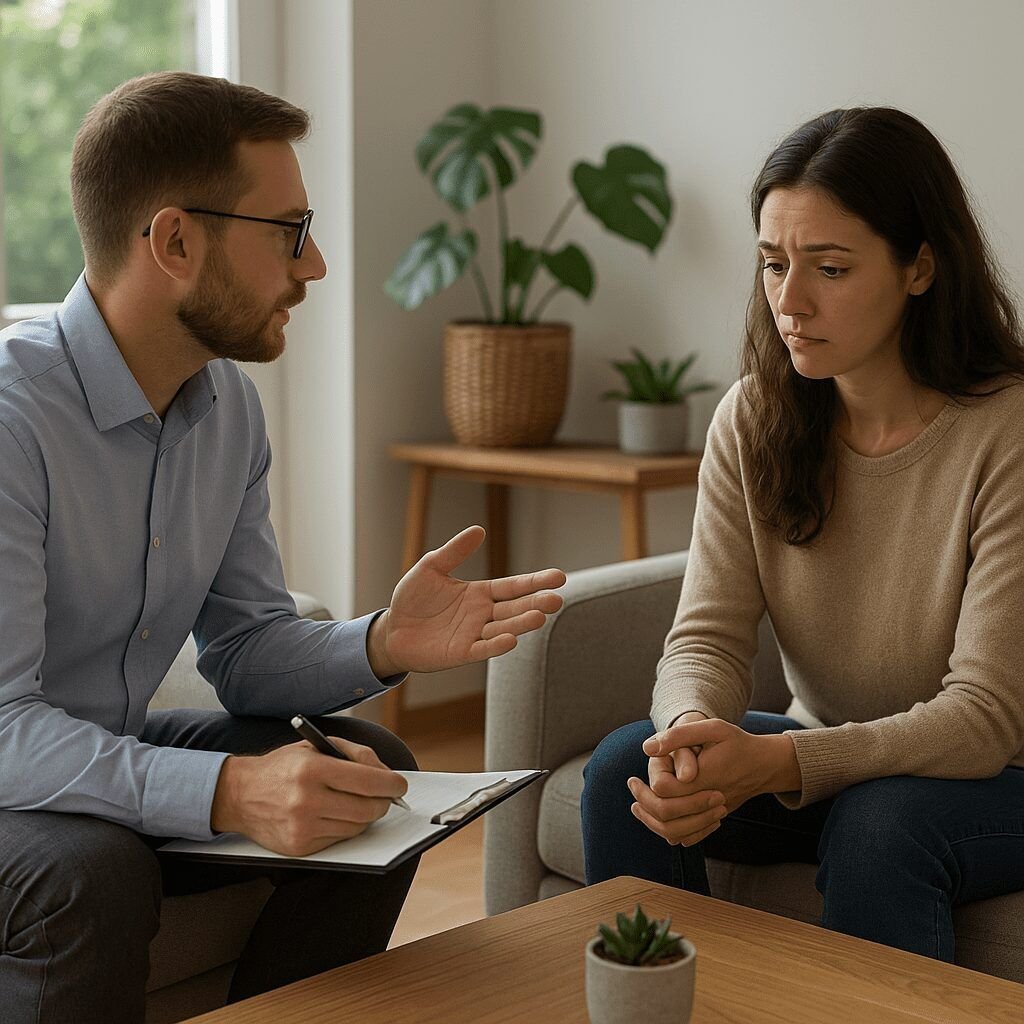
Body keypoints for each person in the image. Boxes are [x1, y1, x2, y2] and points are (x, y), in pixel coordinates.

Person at [0, 71, 566, 1024]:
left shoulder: (227, 410)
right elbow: (6, 731)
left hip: (93, 745)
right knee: (89, 871)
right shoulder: (13, 421)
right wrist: (229, 790)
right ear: (176, 242)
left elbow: (244, 652)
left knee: (366, 771)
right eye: (290, 231)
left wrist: (382, 641)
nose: (317, 266)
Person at [581, 106, 1024, 965]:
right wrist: (688, 736)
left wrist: (782, 763)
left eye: (830, 268)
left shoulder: (1006, 431)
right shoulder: (754, 417)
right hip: (841, 755)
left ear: (920, 267)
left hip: (1000, 774)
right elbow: (705, 638)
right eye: (773, 264)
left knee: (881, 822)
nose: (789, 302)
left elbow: (985, 720)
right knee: (623, 771)